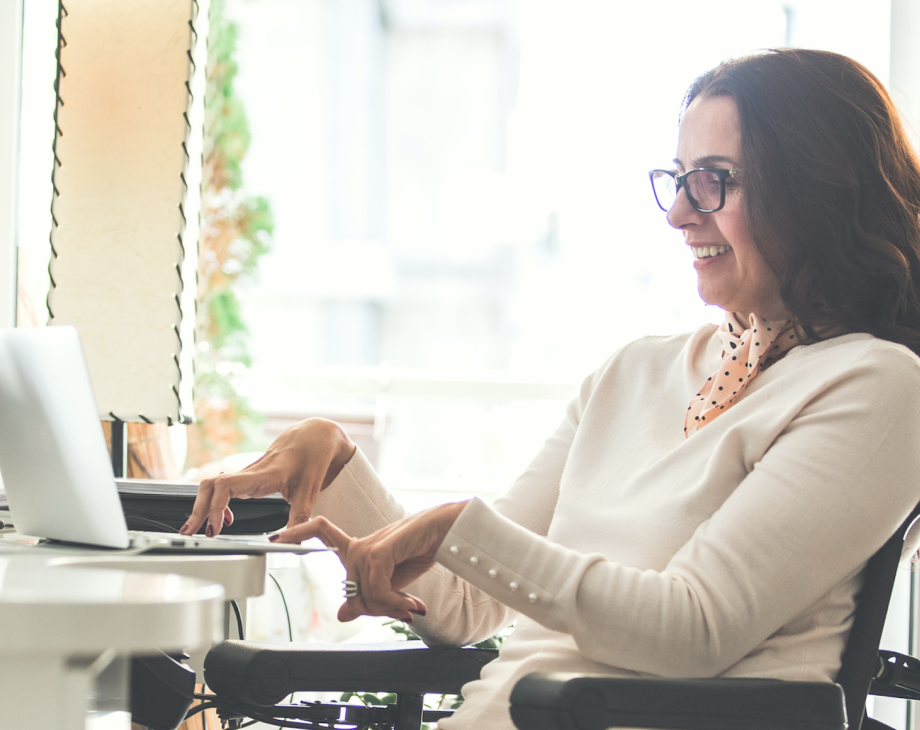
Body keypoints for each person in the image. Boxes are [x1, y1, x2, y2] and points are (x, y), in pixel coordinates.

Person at [181, 49, 920, 730]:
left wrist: (459, 526)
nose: (678, 213)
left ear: (816, 191)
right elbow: (468, 600)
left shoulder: (875, 388)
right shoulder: (634, 372)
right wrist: (337, 463)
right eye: (678, 178)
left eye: (714, 180)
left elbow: (693, 629)